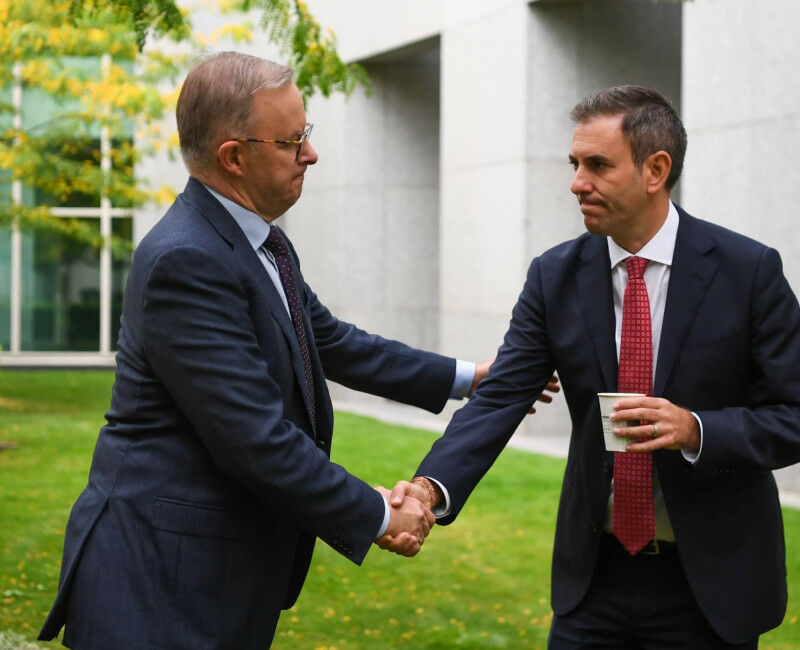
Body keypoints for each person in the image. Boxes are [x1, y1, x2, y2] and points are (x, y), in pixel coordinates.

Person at [36, 52, 557, 649]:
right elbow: (255, 441)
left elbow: (329, 341)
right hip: (159, 582)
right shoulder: (186, 260)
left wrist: (469, 376)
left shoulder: (258, 241)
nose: (310, 154)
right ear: (234, 156)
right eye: (291, 141)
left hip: (213, 576)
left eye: (305, 134)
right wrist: (381, 515)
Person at [389, 85, 800, 648]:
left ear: (656, 169)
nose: (577, 182)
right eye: (575, 163)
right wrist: (430, 491)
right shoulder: (553, 276)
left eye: (598, 165)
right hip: (593, 581)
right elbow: (501, 397)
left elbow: (793, 415)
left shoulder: (748, 271)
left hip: (710, 585)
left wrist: (694, 429)